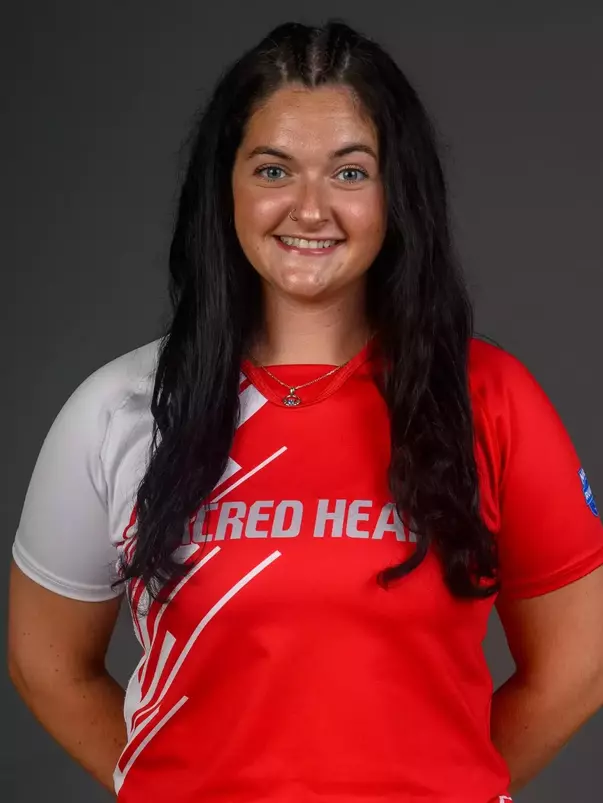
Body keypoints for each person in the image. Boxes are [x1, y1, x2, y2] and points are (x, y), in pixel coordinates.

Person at [7, 19, 603, 803]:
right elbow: (44, 662)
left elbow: (580, 659)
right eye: (273, 169)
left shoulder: (487, 398)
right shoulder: (122, 409)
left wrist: (450, 781)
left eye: (350, 173)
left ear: (398, 193)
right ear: (228, 186)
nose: (310, 208)